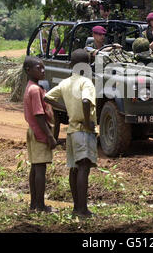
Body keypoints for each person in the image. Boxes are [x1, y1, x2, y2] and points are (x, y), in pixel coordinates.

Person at [44, 49, 97, 218]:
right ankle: (82, 209)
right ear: (86, 65)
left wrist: (66, 106)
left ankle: (76, 207)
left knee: (74, 169)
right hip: (83, 130)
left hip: (72, 131)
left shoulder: (65, 83)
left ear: (72, 65)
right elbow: (85, 100)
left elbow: (47, 97)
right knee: (83, 167)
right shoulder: (86, 82)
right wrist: (88, 121)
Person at [23, 56, 57, 212]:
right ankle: (40, 205)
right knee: (40, 169)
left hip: (33, 131)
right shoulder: (35, 90)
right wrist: (49, 136)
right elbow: (39, 114)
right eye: (39, 68)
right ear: (28, 70)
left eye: (43, 67)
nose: (42, 70)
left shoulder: (31, 86)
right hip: (39, 132)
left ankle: (33, 204)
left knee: (35, 167)